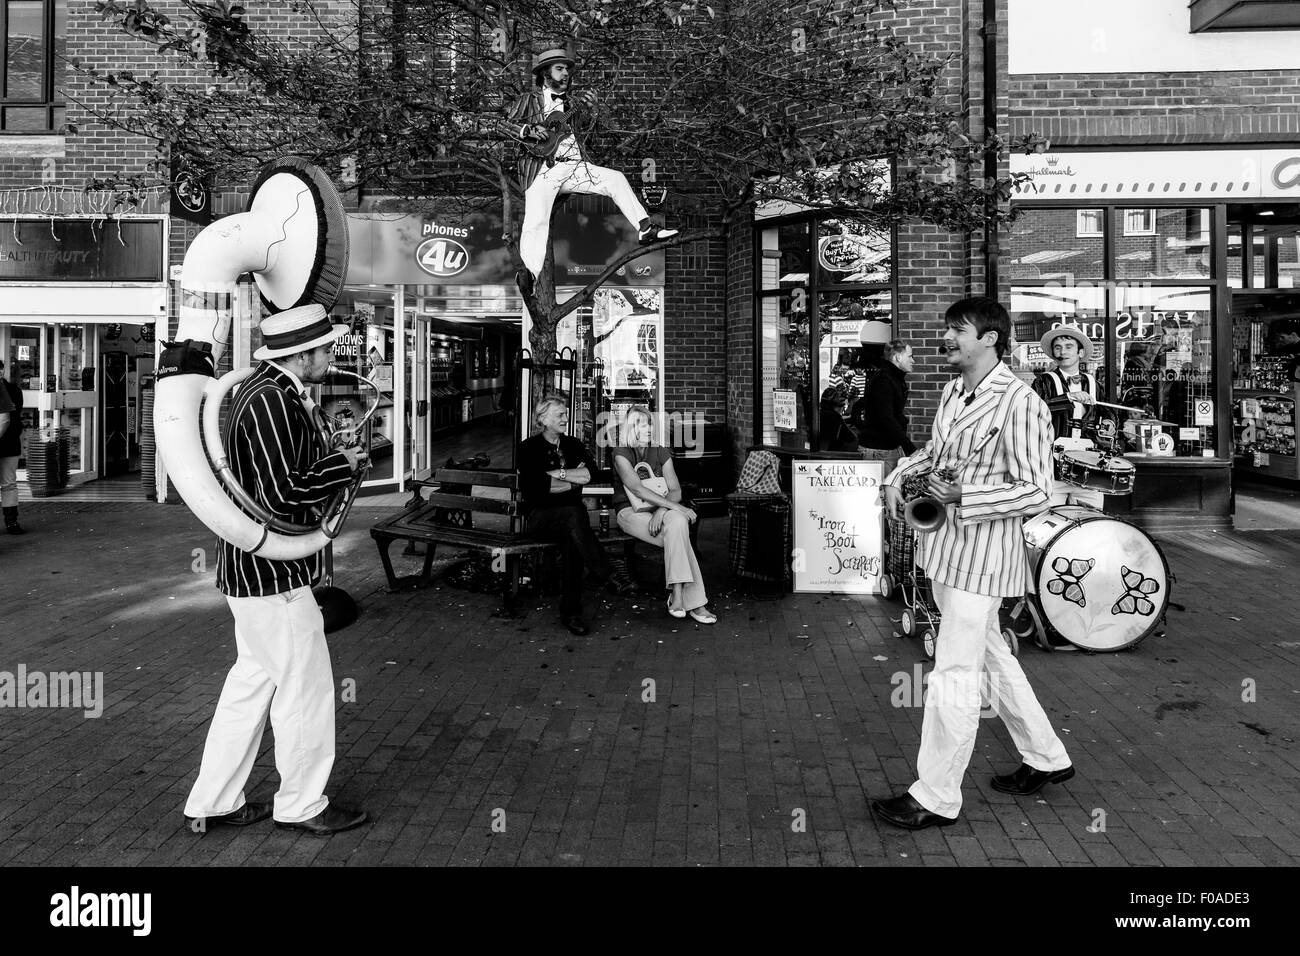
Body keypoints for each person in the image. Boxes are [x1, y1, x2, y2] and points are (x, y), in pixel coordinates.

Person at [873, 296, 1073, 831]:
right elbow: (937, 455)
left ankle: (936, 797)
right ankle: (1046, 755)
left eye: (957, 329)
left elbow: (1036, 490)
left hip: (983, 559)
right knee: (994, 658)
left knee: (953, 675)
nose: (946, 337)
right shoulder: (951, 390)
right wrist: (896, 477)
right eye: (947, 328)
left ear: (989, 338)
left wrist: (966, 495)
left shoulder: (1021, 402)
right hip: (945, 547)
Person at [184, 304, 370, 837]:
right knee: (304, 690)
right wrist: (344, 465)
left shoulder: (272, 393)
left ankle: (214, 799)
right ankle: (302, 804)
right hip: (272, 576)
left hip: (259, 572)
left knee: (252, 683)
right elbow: (281, 492)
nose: (331, 357)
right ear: (302, 353)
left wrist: (330, 460)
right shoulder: (270, 399)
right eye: (325, 349)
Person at [507, 48, 678, 291]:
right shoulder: (529, 100)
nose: (566, 73)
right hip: (542, 168)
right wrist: (528, 130)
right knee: (536, 221)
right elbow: (503, 124)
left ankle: (645, 228)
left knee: (615, 179)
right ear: (546, 74)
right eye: (560, 68)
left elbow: (595, 131)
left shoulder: (573, 104)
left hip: (576, 168)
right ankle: (530, 277)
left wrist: (593, 109)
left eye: (567, 69)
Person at [517, 394, 637, 636]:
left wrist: (558, 474)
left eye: (565, 414)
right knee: (574, 515)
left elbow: (588, 475)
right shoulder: (528, 448)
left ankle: (572, 614)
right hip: (541, 518)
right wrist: (572, 477)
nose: (565, 418)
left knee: (573, 539)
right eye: (560, 415)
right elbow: (539, 490)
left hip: (573, 521)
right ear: (543, 419)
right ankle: (606, 573)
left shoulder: (573, 444)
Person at [611, 406, 716, 625]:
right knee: (679, 531)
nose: (648, 428)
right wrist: (676, 507)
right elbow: (637, 489)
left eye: (649, 423)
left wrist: (662, 510)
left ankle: (677, 595)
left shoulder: (660, 450)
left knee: (676, 525)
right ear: (631, 428)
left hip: (663, 511)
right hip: (630, 511)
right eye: (642, 424)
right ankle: (696, 604)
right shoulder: (621, 453)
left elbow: (675, 489)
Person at [851, 339, 916, 478]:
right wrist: (909, 447)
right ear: (898, 357)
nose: (913, 361)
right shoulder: (884, 380)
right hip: (879, 451)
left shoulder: (892, 378)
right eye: (910, 356)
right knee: (882, 497)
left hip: (886, 448)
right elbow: (886, 418)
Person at [1031, 326, 1098, 440]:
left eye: (1069, 347)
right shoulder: (1043, 381)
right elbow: (1036, 410)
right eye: (1058, 348)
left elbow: (1106, 412)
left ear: (1080, 352)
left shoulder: (1094, 383)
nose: (1063, 352)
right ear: (1053, 354)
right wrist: (1068, 397)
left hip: (1089, 452)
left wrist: (1109, 422)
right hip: (1052, 450)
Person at [0, 358, 24, 534]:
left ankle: (12, 521)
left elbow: (7, 419)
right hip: (11, 442)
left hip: (8, 441)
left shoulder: (11, 391)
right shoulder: (14, 390)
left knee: (9, 482)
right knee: (9, 483)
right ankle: (11, 522)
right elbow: (15, 417)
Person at [818, 386, 858, 453]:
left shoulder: (817, 413)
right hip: (831, 453)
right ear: (836, 404)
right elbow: (851, 437)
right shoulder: (835, 417)